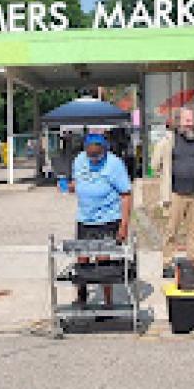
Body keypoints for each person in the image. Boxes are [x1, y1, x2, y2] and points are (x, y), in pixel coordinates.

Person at [71, 132, 133, 308]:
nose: (94, 159)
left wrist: (124, 226)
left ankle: (108, 302)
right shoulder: (79, 161)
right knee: (82, 258)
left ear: (105, 151)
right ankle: (81, 297)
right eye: (91, 156)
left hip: (108, 219)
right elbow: (76, 181)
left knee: (103, 260)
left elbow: (126, 195)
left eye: (97, 156)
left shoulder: (115, 164)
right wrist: (72, 186)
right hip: (85, 218)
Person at [152, 108, 194, 278]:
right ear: (178, 122)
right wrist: (166, 178)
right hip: (175, 194)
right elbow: (155, 165)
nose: (190, 123)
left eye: (192, 120)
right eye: (187, 120)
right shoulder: (168, 141)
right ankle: (167, 263)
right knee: (171, 232)